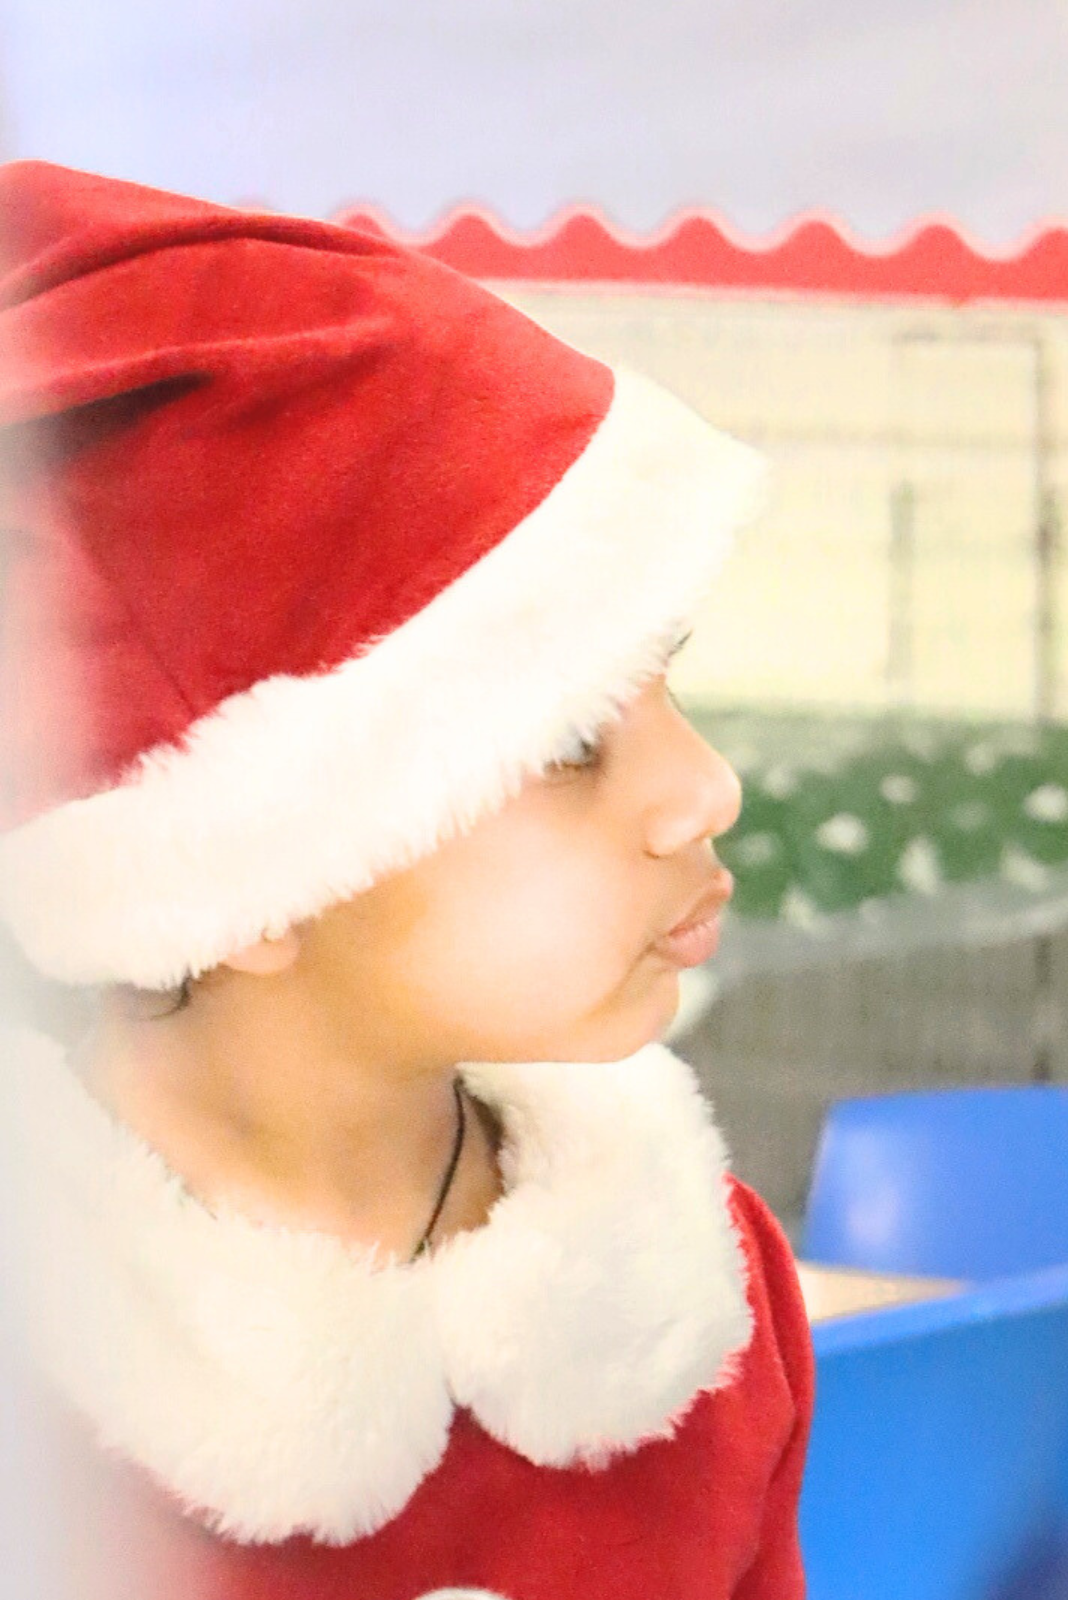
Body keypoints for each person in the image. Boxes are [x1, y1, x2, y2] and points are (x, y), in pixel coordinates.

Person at [0, 162, 811, 1599]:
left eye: (666, 684)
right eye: (567, 741)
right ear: (237, 878)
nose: (702, 788)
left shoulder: (700, 1298)